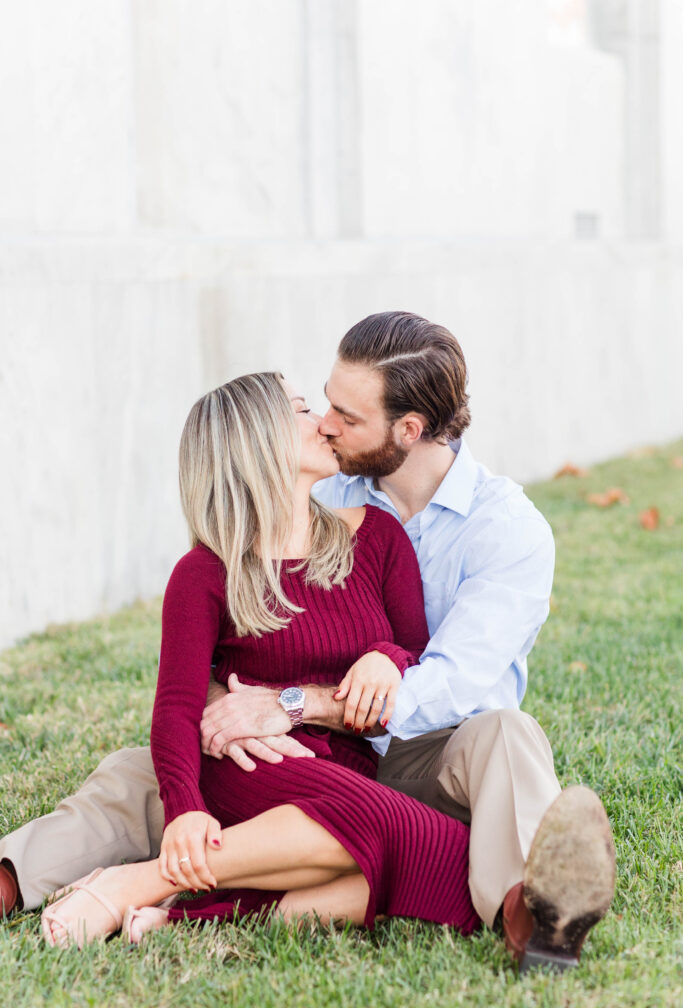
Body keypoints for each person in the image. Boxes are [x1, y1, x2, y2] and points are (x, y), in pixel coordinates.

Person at [1, 312, 615, 971]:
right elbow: (191, 676)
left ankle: (527, 917)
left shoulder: (501, 529)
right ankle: (15, 880)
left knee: (506, 734)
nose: (325, 422)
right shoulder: (319, 494)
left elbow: (448, 680)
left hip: (429, 760)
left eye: (345, 416)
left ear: (405, 431)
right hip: (274, 762)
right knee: (138, 773)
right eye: (318, 403)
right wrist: (228, 714)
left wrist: (307, 697)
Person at [39, 371, 480, 947]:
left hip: (347, 766)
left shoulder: (377, 537)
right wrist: (185, 813)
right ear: (258, 440)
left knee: (443, 860)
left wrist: (387, 658)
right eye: (302, 410)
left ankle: (177, 908)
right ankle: (135, 885)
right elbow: (175, 706)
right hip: (252, 770)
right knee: (416, 841)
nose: (324, 422)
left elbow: (414, 651)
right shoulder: (203, 574)